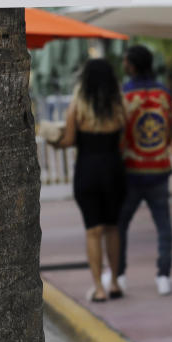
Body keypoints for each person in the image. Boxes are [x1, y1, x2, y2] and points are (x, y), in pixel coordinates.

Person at [51, 59, 127, 302]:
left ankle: (99, 288)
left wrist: (54, 139)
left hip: (88, 170)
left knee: (93, 231)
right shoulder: (120, 107)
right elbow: (124, 141)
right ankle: (114, 282)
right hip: (114, 170)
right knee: (113, 228)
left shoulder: (78, 107)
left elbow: (69, 141)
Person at [117, 45, 172, 296]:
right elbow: (171, 127)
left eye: (125, 61)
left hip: (131, 169)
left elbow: (120, 133)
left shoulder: (125, 95)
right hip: (160, 167)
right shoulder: (165, 93)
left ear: (131, 64)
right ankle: (164, 276)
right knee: (164, 226)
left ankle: (119, 275)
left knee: (120, 225)